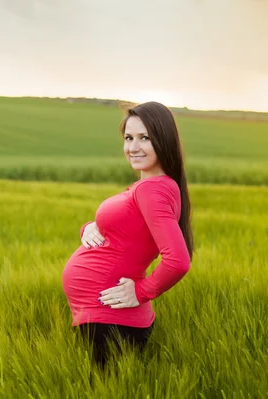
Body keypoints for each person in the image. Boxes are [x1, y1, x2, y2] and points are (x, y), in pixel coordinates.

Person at [61, 101, 194, 368]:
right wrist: (89, 228)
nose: (133, 147)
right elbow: (125, 232)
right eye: (128, 138)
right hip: (105, 318)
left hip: (111, 320)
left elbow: (178, 261)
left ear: (164, 139)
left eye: (145, 138)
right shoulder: (152, 186)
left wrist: (142, 291)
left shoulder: (152, 190)